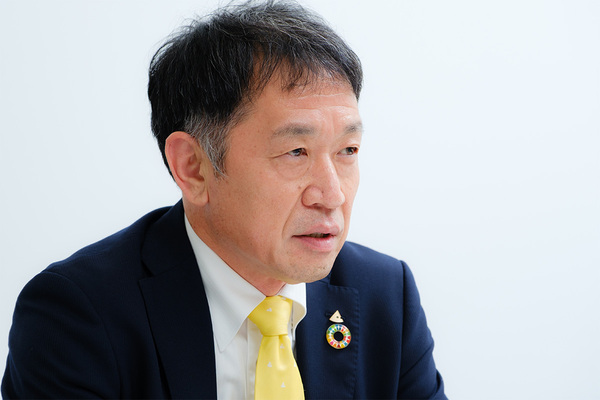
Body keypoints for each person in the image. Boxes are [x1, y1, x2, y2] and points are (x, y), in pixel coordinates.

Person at [2, 1, 446, 399]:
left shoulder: (385, 296)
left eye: (347, 150)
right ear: (193, 167)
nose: (332, 194)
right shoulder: (79, 316)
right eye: (296, 152)